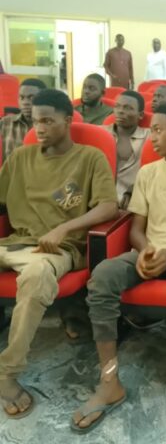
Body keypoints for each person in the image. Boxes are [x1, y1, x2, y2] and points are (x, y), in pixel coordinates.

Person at [71, 102, 166, 436]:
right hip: (151, 251)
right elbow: (136, 229)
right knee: (103, 276)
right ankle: (109, 381)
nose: (151, 137)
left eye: (157, 130)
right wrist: (146, 251)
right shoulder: (148, 173)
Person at [0, 90, 118, 418]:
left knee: (36, 275)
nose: (39, 128)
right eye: (35, 121)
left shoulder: (90, 158)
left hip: (57, 249)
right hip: (14, 242)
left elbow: (109, 206)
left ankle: (7, 372)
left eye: (47, 121)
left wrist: (64, 229)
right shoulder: (20, 158)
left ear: (67, 120)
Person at [103, 91, 149, 209]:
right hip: (100, 200)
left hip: (135, 204)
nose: (120, 111)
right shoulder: (99, 134)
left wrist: (135, 189)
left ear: (140, 115)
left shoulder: (150, 138)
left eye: (128, 108)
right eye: (117, 106)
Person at [0, 78, 46, 161]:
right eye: (21, 97)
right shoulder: (5, 123)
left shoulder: (50, 126)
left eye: (31, 98)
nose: (25, 102)